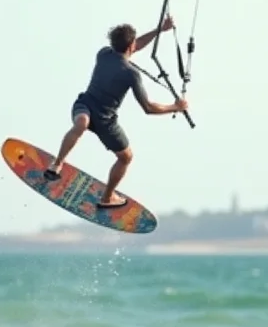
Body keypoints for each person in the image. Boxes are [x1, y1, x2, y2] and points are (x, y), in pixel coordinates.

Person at [43, 15, 188, 208]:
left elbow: (134, 45)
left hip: (96, 114)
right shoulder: (131, 74)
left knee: (113, 147)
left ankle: (107, 197)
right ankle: (57, 164)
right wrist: (175, 107)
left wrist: (159, 30)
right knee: (87, 127)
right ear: (130, 47)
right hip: (92, 109)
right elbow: (148, 108)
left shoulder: (103, 53)